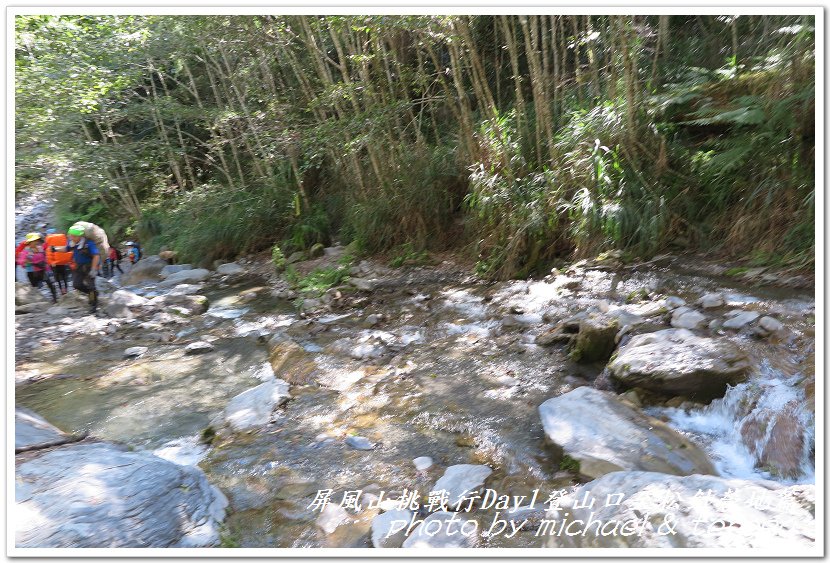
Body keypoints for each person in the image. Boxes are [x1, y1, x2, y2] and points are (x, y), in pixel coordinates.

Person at [51, 224, 100, 313]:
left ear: (80, 236)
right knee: (76, 285)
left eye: (74, 236)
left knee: (91, 286)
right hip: (79, 267)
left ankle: (94, 305)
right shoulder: (72, 242)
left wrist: (93, 269)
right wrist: (55, 249)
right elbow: (66, 249)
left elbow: (96, 256)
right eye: (71, 235)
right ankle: (92, 294)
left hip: (90, 266)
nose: (72, 237)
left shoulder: (89, 243)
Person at [17, 232, 57, 303]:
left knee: (50, 283)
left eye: (37, 240)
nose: (37, 242)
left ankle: (55, 298)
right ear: (30, 242)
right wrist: (27, 261)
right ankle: (38, 301)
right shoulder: (26, 251)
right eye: (35, 240)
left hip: (43, 270)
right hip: (32, 272)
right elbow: (21, 262)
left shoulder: (41, 247)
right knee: (35, 287)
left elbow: (48, 245)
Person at [44, 228, 73, 295]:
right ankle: (65, 289)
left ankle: (61, 290)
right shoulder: (62, 242)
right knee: (64, 277)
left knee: (58, 278)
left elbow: (48, 255)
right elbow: (67, 252)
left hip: (55, 265)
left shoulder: (49, 247)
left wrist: (51, 263)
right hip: (63, 263)